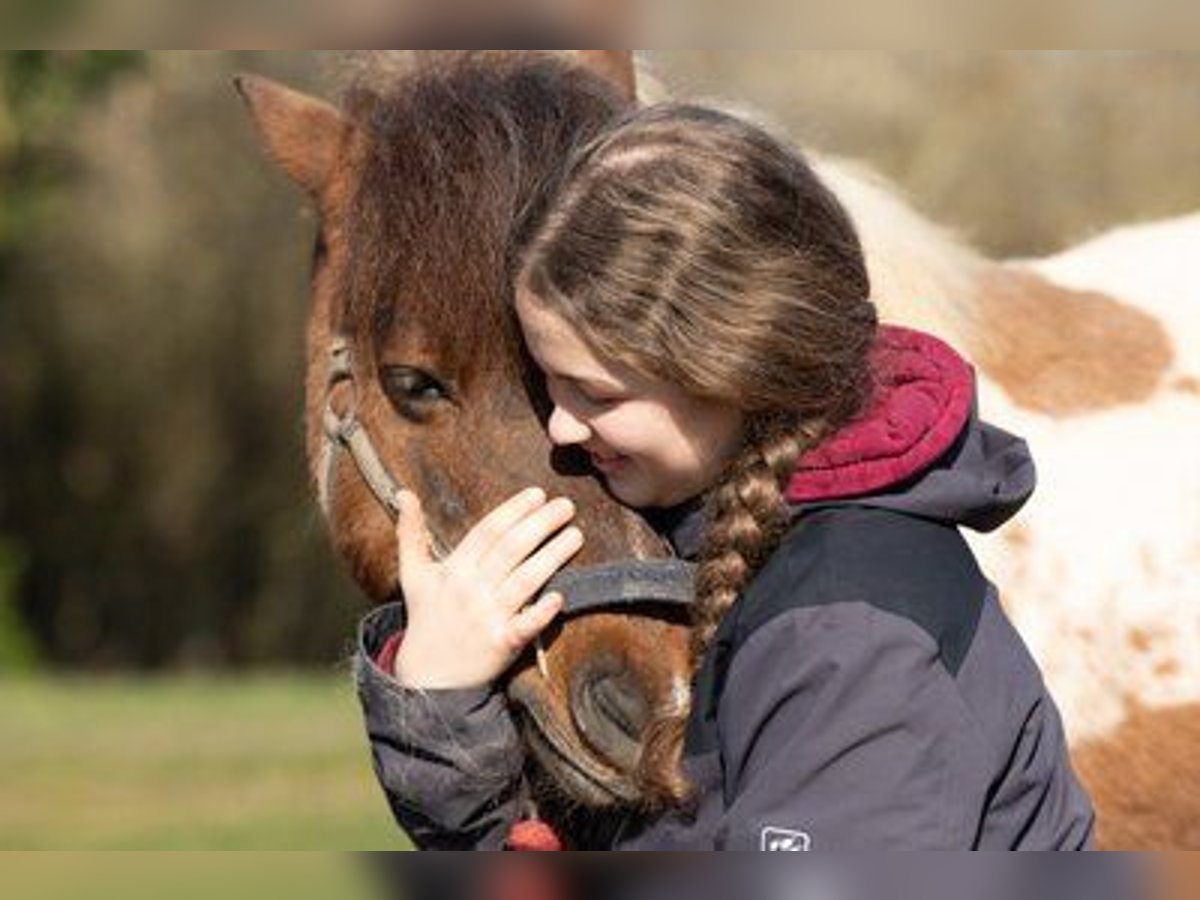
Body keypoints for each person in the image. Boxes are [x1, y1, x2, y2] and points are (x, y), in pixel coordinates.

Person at [354, 103, 1096, 850]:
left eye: (597, 395)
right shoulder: (716, 550)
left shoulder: (847, 636)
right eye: (548, 388)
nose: (561, 428)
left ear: (733, 371)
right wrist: (441, 708)